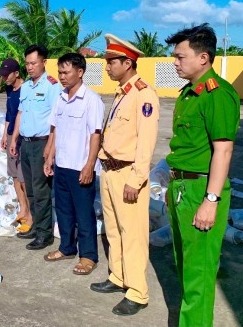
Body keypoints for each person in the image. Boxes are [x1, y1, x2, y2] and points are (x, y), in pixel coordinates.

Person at [164, 23, 239, 327]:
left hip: (202, 190)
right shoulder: (188, 94)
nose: (175, 62)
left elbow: (223, 151)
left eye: (181, 57)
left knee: (199, 277)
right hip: (182, 187)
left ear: (203, 58)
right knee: (186, 268)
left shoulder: (217, 94)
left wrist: (211, 200)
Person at [90, 34, 159, 316]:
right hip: (109, 171)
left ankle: (138, 292)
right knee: (114, 230)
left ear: (127, 63)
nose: (107, 67)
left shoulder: (144, 94)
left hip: (128, 173)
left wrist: (137, 178)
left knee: (133, 234)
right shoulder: (122, 92)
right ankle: (118, 277)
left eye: (111, 62)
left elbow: (146, 141)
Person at [43, 53, 104, 275]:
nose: (62, 76)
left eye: (66, 72)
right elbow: (55, 129)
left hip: (81, 167)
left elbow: (95, 135)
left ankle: (88, 256)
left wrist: (90, 165)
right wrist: (49, 157)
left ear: (80, 72)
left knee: (83, 213)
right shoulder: (60, 98)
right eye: (60, 72)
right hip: (62, 165)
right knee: (64, 210)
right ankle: (66, 247)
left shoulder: (92, 100)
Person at [10, 45, 62, 250]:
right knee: (30, 189)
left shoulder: (52, 86)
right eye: (27, 63)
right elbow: (20, 114)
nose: (30, 67)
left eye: (33, 63)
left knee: (41, 191)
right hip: (26, 143)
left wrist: (50, 148)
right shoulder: (26, 87)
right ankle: (34, 225)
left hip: (42, 143)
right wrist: (14, 139)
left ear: (44, 62)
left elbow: (56, 121)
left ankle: (44, 233)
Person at [0, 58, 33, 233]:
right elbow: (9, 114)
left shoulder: (27, 90)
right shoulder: (9, 89)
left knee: (24, 177)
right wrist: (5, 135)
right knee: (15, 176)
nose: (4, 78)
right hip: (11, 135)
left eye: (6, 75)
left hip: (22, 137)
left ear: (17, 73)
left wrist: (15, 138)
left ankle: (31, 216)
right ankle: (23, 209)